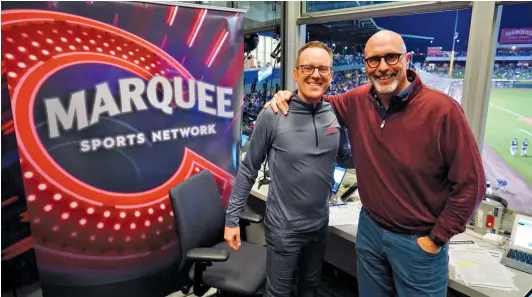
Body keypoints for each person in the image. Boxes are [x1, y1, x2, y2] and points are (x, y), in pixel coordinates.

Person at [265, 30, 486, 297]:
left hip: (418, 241)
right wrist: (286, 95)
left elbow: (471, 185)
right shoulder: (357, 100)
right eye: (374, 60)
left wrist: (436, 238)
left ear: (407, 59)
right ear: (365, 64)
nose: (382, 67)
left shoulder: (443, 111)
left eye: (390, 57)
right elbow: (318, 99)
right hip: (370, 230)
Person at [224, 41, 352, 297]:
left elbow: (345, 156)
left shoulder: (336, 113)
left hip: (319, 225)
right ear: (295, 73)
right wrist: (231, 219)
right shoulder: (273, 113)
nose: (315, 74)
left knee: (310, 288)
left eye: (323, 69)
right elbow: (249, 169)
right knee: (278, 293)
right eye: (307, 67)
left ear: (330, 75)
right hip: (284, 229)